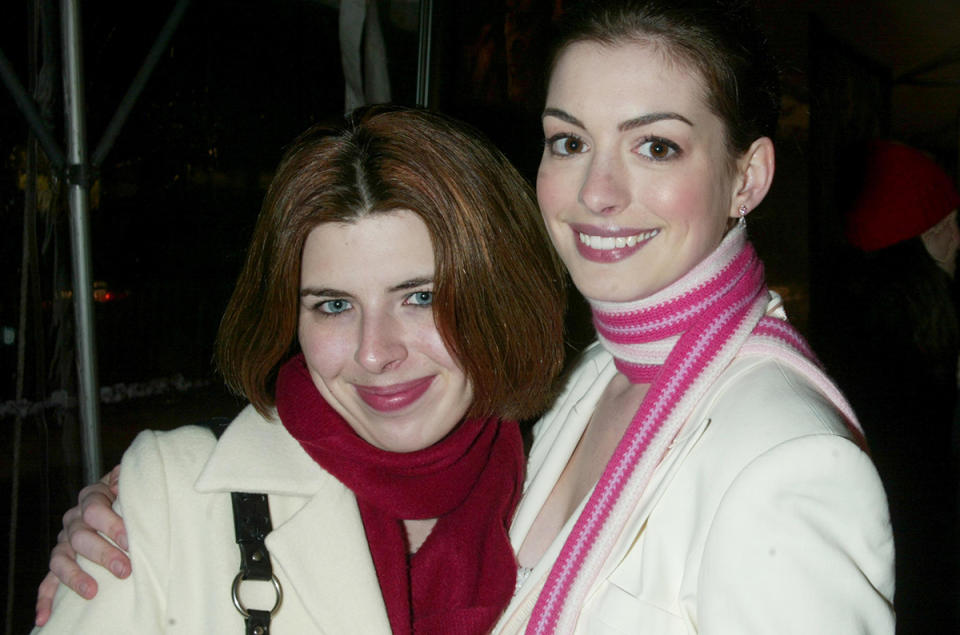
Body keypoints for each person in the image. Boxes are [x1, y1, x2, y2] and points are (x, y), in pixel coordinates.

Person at [38, 1, 898, 632]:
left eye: (656, 144)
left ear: (748, 177)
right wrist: (146, 505)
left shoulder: (788, 457)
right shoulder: (582, 389)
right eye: (568, 140)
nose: (597, 192)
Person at [32, 105, 566, 634]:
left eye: (421, 297)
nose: (374, 353)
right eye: (334, 305)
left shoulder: (572, 481)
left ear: (500, 294)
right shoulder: (170, 497)